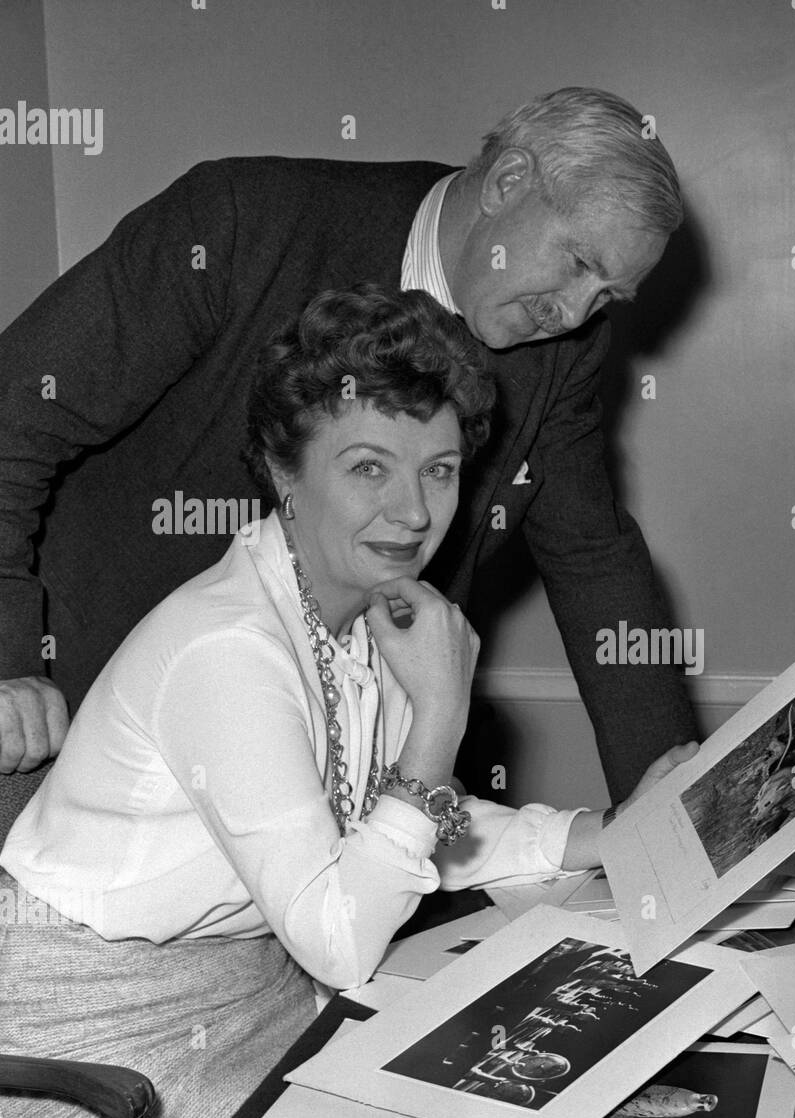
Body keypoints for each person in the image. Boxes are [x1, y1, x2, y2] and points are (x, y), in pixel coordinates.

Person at [0, 285, 695, 1118]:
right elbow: (341, 925)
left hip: (260, 993)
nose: (412, 512)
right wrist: (441, 713)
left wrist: (595, 834)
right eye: (369, 468)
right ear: (286, 472)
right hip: (95, 1050)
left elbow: (395, 818)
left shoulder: (365, 610)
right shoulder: (227, 650)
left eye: (442, 471)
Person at [0, 86, 698, 802]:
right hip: (89, 730)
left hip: (344, 762)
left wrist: (679, 815)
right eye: (580, 263)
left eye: (609, 295)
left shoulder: (563, 349)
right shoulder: (242, 221)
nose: (577, 313)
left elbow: (592, 557)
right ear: (508, 182)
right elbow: (14, 413)